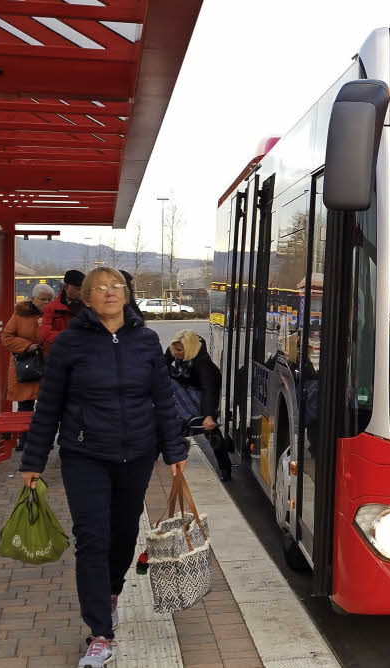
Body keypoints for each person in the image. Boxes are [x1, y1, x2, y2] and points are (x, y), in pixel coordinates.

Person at [19, 267, 187, 668]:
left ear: (127, 295)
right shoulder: (68, 345)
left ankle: (112, 590)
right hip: (85, 454)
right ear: (87, 299)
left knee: (124, 532)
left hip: (137, 453)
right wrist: (33, 461)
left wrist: (174, 450)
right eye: (100, 288)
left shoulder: (146, 341)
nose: (110, 293)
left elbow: (163, 399)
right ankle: (100, 633)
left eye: (116, 287)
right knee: (92, 538)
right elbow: (50, 407)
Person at [164, 329, 231, 480]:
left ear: (189, 348)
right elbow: (162, 365)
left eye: (180, 351)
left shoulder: (203, 364)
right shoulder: (175, 349)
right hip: (186, 391)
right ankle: (182, 433)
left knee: (211, 432)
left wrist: (209, 415)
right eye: (174, 350)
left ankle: (225, 468)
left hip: (201, 395)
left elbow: (209, 392)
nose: (176, 354)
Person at [1, 283, 55, 449]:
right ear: (32, 299)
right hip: (27, 366)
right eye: (43, 300)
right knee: (25, 405)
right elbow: (6, 337)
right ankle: (24, 440)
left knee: (47, 406)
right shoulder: (20, 314)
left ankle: (44, 441)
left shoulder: (53, 315)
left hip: (48, 365)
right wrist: (26, 346)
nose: (47, 303)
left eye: (49, 299)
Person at [39, 269, 84, 352]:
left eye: (84, 289)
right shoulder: (51, 308)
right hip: (60, 357)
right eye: (78, 289)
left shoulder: (91, 307)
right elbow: (45, 334)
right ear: (66, 287)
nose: (81, 292)